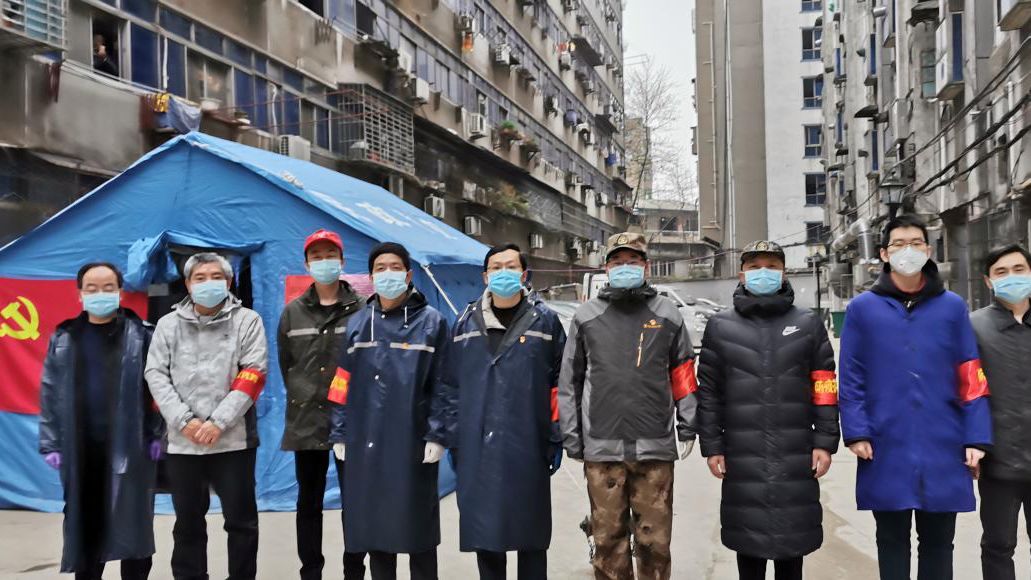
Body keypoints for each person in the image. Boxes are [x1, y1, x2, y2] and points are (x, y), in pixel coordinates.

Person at [838, 214, 992, 580]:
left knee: (939, 541)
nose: (908, 251)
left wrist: (976, 436)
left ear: (928, 249)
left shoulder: (952, 307)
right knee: (891, 539)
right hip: (884, 439)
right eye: (898, 245)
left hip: (943, 439)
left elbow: (971, 375)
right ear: (883, 254)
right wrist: (857, 431)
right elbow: (852, 375)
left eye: (915, 244)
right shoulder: (863, 309)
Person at [558, 232, 697, 580]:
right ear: (606, 267)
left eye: (632, 261)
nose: (625, 267)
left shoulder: (667, 313)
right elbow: (569, 380)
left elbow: (682, 372)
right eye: (618, 262)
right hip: (602, 447)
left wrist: (689, 421)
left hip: (654, 447)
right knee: (607, 541)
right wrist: (572, 434)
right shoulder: (587, 316)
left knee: (655, 543)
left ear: (645, 266)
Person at [697, 241, 839, 580]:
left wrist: (826, 440)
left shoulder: (807, 323)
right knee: (748, 543)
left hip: (796, 451)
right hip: (742, 453)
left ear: (784, 272)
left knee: (793, 543)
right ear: (742, 274)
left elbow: (824, 385)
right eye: (756, 266)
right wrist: (713, 446)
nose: (764, 273)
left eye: (772, 266)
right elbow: (709, 392)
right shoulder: (720, 326)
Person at [328, 242, 450, 580]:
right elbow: (341, 382)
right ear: (370, 277)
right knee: (378, 532)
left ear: (409, 275)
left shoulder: (432, 323)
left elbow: (444, 384)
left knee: (418, 530)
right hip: (366, 443)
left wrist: (437, 434)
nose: (387, 274)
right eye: (380, 268)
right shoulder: (357, 324)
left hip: (413, 443)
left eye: (394, 267)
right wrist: (339, 432)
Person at [145, 252, 268, 580]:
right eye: (200, 278)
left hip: (234, 441)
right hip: (183, 443)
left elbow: (253, 373)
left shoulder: (248, 321)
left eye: (216, 277)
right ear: (187, 284)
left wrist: (218, 423)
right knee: (187, 523)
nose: (208, 283)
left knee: (241, 522)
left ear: (228, 282)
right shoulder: (168, 325)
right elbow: (156, 374)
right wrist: (185, 421)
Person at [448, 243, 566, 580]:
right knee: (488, 538)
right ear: (484, 276)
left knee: (530, 537)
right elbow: (449, 385)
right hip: (477, 446)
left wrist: (555, 435)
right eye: (496, 267)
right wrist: (454, 438)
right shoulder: (464, 323)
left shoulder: (546, 322)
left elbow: (561, 385)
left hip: (529, 443)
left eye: (510, 266)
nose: (503, 273)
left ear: (524, 274)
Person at [38, 262, 163, 580]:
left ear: (121, 292)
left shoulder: (143, 335)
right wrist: (52, 442)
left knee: (134, 532)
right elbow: (50, 393)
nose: (100, 294)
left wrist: (156, 435)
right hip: (83, 453)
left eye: (108, 287)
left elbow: (158, 390)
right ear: (80, 294)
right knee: (87, 534)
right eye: (91, 289)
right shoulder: (65, 338)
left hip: (132, 447)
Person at [278, 229, 366, 580]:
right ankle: (310, 571)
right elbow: (288, 365)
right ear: (307, 263)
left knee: (355, 502)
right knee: (308, 502)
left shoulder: (361, 311)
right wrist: (304, 394)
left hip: (354, 422)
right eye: (317, 256)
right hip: (306, 419)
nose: (324, 262)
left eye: (331, 255)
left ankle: (354, 570)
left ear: (342, 262)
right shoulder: (292, 313)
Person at [970, 244, 1031, 580]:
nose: (1012, 278)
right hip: (998, 459)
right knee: (997, 545)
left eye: (1019, 269)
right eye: (1001, 272)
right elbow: (965, 391)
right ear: (988, 281)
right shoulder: (974, 326)